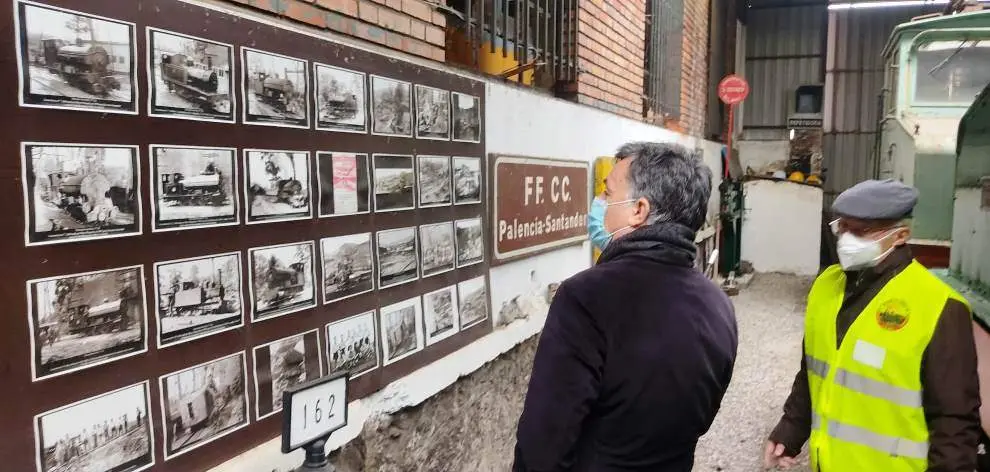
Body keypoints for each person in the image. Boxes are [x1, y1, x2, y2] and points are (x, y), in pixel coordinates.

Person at [512, 142, 738, 471]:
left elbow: (545, 438)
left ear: (638, 210)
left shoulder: (586, 297)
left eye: (608, 192)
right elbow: (702, 416)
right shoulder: (718, 304)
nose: (601, 204)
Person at [764, 179, 980, 471]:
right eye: (843, 228)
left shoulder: (939, 306)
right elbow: (813, 371)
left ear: (900, 235)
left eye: (861, 232)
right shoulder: (826, 286)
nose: (846, 240)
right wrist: (791, 428)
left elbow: (954, 422)